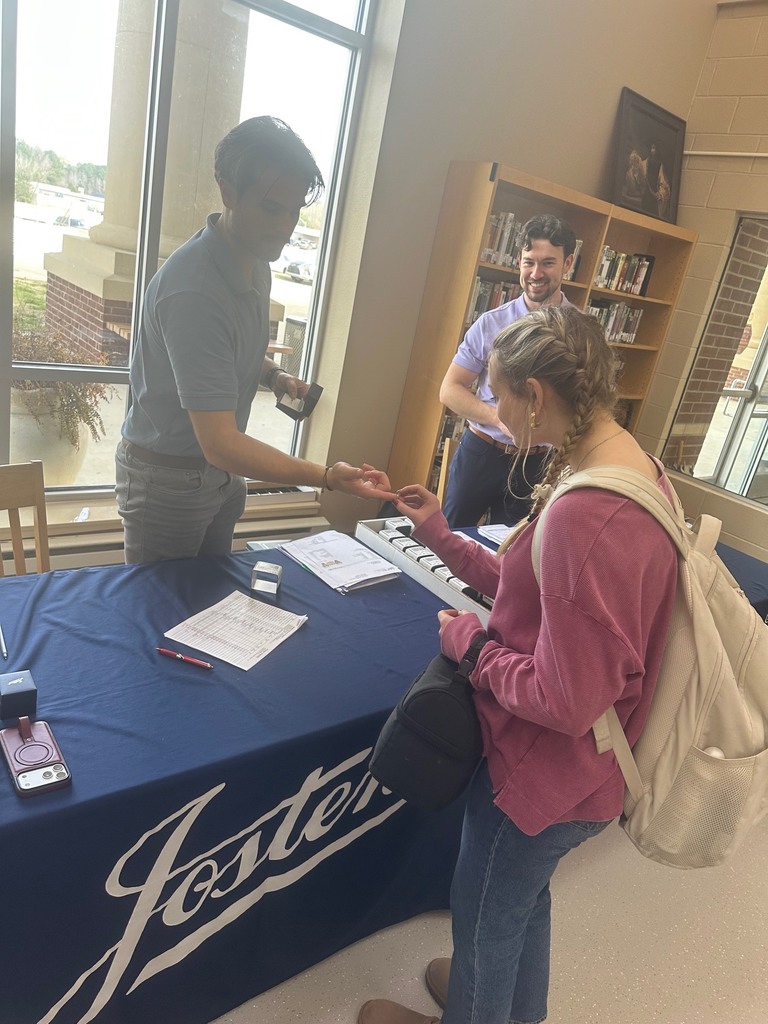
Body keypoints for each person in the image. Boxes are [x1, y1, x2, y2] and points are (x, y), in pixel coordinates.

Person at [359, 305, 678, 1024]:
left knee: (484, 919)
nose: (493, 412)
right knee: (522, 906)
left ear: (536, 395)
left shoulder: (583, 514)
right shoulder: (630, 467)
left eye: (500, 396)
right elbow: (540, 595)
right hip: (592, 767)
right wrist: (439, 533)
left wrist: (471, 648)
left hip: (544, 776)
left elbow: (564, 698)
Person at [116, 116, 393, 563]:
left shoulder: (254, 260)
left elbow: (232, 348)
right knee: (160, 615)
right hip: (169, 479)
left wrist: (275, 375)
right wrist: (326, 475)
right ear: (228, 191)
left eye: (294, 210)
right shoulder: (194, 289)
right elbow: (221, 442)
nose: (285, 226)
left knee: (208, 605)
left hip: (221, 477)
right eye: (270, 208)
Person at [440, 214, 576, 529]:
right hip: (482, 452)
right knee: (448, 539)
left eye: (548, 263)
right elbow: (449, 389)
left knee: (511, 552)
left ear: (568, 263)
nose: (536, 273)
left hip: (537, 463)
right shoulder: (489, 323)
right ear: (518, 261)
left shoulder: (579, 331)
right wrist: (499, 419)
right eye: (529, 262)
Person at [640, 140, 671, 219]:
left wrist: (660, 194)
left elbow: (663, 182)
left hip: (654, 195)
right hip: (645, 194)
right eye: (652, 148)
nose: (653, 150)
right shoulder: (644, 164)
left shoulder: (660, 164)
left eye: (655, 148)